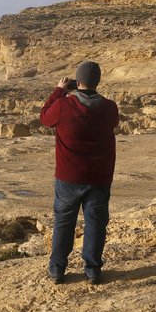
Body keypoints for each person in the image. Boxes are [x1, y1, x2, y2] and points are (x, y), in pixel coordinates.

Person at [40, 60, 120, 285]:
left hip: (68, 176)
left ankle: (57, 270)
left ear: (78, 81)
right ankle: (93, 270)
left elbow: (45, 118)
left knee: (64, 223)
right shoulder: (109, 107)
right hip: (99, 176)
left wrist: (58, 91)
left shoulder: (64, 105)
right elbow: (113, 122)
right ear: (98, 81)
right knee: (95, 223)